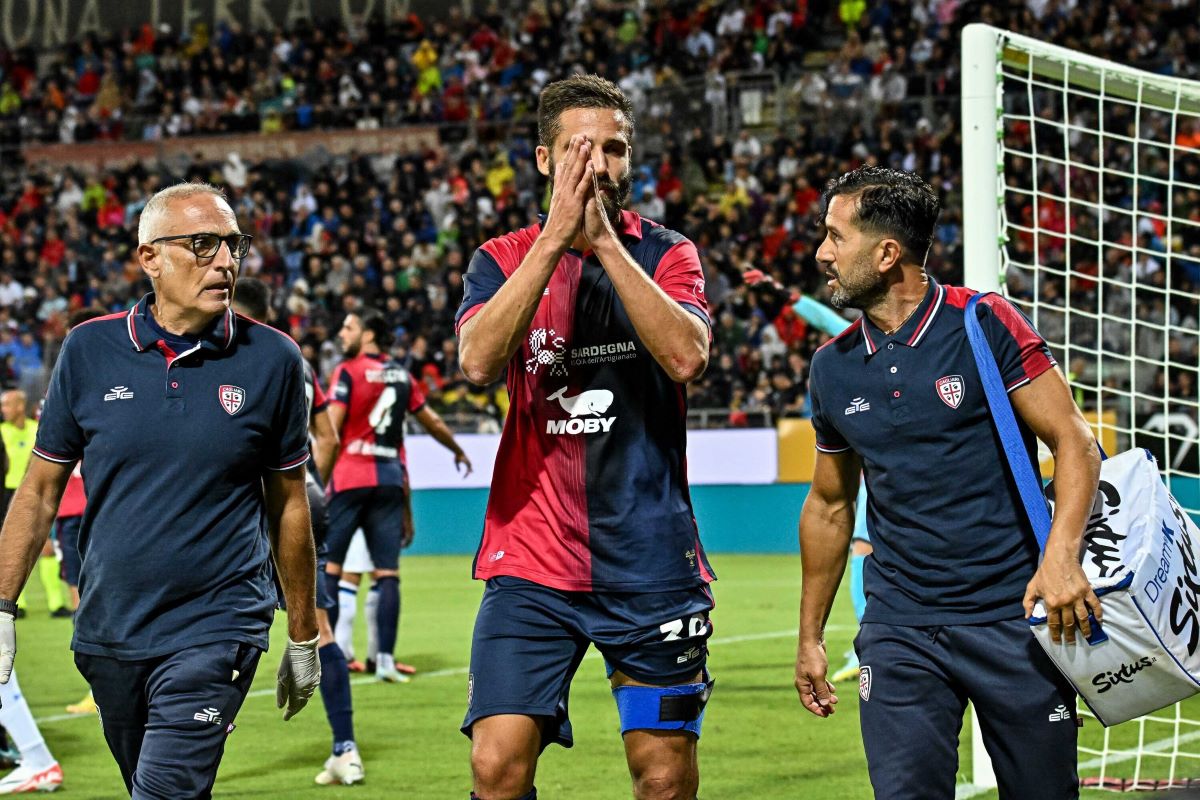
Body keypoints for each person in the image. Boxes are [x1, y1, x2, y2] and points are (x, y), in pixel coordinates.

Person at [0, 182, 322, 799]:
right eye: (202, 245)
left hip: (219, 621)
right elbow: (40, 489)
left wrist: (303, 633)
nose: (225, 262)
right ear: (150, 257)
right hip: (109, 629)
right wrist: (2, 605)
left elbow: (288, 503)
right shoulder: (89, 349)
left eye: (233, 245)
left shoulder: (273, 359)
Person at [794, 166, 1101, 800]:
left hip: (1014, 618)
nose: (822, 253)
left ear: (887, 254)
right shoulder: (832, 367)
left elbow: (1074, 441)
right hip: (900, 626)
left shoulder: (983, 322)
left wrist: (1061, 558)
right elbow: (829, 505)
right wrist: (810, 635)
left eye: (835, 236)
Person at [456, 74, 716, 800]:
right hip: (534, 563)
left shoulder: (668, 253)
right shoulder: (499, 258)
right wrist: (556, 239)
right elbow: (477, 362)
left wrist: (601, 241)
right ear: (545, 159)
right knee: (496, 767)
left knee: (663, 780)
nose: (600, 163)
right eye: (580, 148)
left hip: (651, 562)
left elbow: (687, 357)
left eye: (615, 148)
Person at [231, 276, 363, 786]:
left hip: (245, 505)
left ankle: (196, 736)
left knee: (220, 624)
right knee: (320, 627)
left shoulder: (230, 352)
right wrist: (305, 489)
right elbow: (327, 437)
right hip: (305, 498)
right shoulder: (298, 361)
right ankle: (346, 750)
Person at [323, 309, 472, 684]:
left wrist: (316, 480)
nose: (342, 333)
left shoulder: (347, 371)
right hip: (389, 478)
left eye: (349, 327)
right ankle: (385, 659)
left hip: (350, 477)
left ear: (369, 334)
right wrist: (456, 449)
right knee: (387, 572)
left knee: (332, 569)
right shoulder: (403, 376)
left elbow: (332, 431)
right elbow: (432, 420)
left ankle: (326, 655)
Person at [54, 307, 109, 716]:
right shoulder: (68, 390)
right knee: (81, 600)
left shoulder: (107, 388)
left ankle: (104, 687)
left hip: (97, 514)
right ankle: (100, 686)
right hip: (69, 515)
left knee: (93, 602)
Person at [0, 390, 68, 618]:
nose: (3, 410)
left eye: (7, 405)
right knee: (13, 548)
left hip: (35, 495)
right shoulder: (2, 432)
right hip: (6, 494)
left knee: (47, 549)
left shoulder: (36, 429)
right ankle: (18, 604)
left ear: (20, 406)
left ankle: (56, 604)